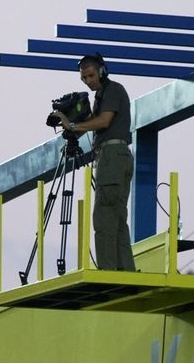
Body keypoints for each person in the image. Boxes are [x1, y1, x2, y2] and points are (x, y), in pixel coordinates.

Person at [52, 54, 136, 271]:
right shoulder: (102, 95)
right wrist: (70, 120)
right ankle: (124, 270)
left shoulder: (113, 90)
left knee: (104, 217)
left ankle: (108, 272)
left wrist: (72, 126)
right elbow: (92, 121)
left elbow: (104, 121)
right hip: (116, 157)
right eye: (84, 78)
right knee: (117, 219)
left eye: (90, 75)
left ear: (101, 71)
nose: (88, 81)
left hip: (112, 156)